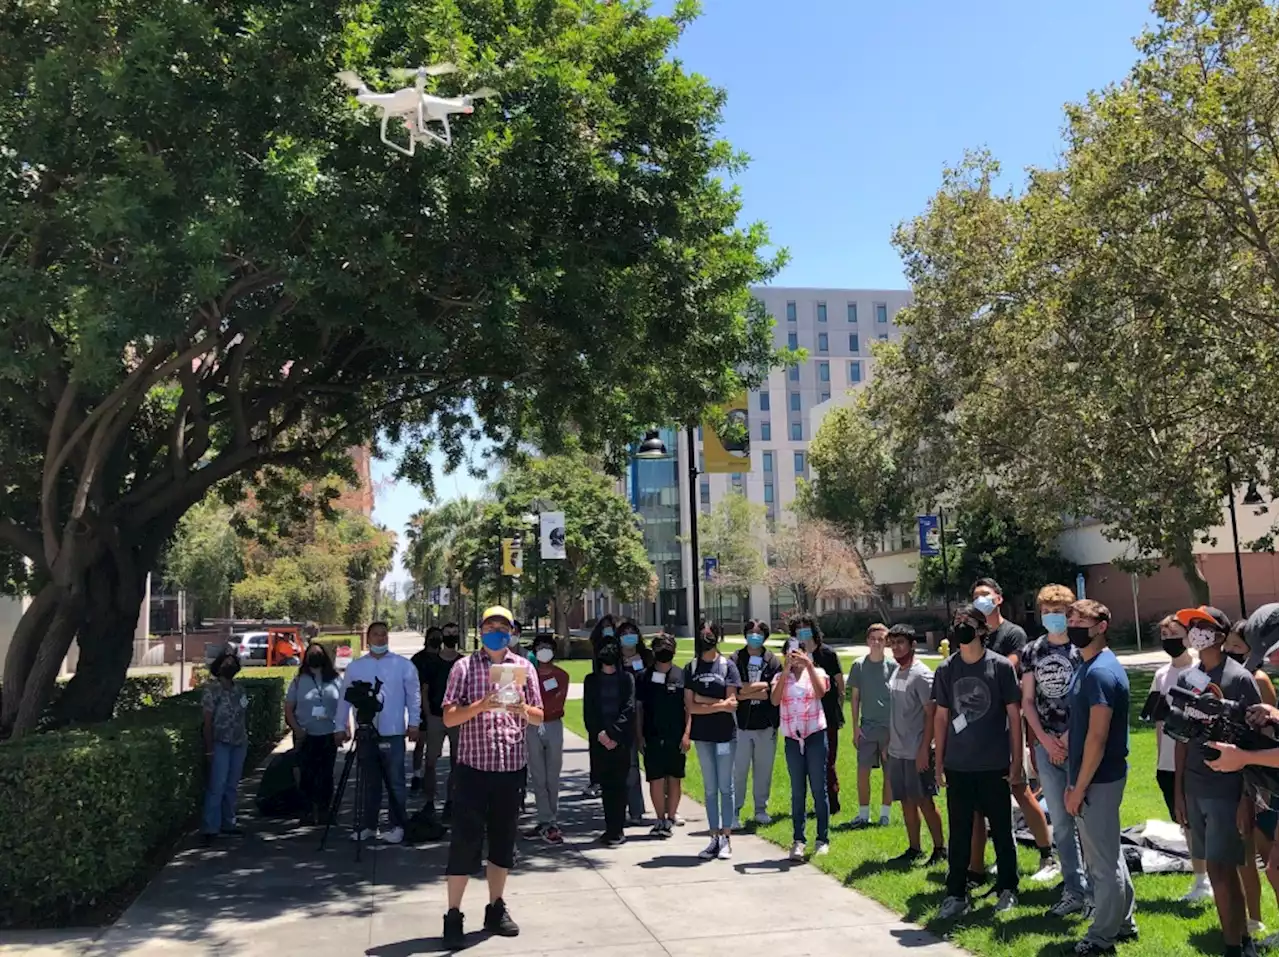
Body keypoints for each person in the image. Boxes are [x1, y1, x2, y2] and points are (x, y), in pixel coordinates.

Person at [441, 606, 544, 947]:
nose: (496, 631)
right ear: (481, 630)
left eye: (503, 626)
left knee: (502, 843)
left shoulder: (524, 667)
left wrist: (521, 709)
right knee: (464, 842)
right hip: (472, 770)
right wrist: (481, 705)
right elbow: (449, 718)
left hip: (510, 768)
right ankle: (453, 914)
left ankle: (495, 907)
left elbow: (539, 716)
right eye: (490, 625)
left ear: (512, 631)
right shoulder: (463, 668)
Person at [1174, 605, 1263, 957]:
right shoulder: (1187, 679)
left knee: (1221, 866)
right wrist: (1179, 790)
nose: (1196, 632)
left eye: (1204, 626)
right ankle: (1240, 939)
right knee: (1220, 867)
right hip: (1195, 785)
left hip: (1228, 787)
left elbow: (1253, 741)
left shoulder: (1240, 678)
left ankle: (1234, 946)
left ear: (1221, 635)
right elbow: (1180, 737)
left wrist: (1246, 797)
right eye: (1191, 626)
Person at [932, 604, 1023, 920]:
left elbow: (1014, 716)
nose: (960, 627)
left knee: (1001, 829)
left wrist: (1016, 761)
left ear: (982, 630)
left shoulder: (1000, 668)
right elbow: (941, 719)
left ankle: (1008, 887)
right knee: (959, 832)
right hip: (959, 766)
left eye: (966, 623)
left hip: (993, 764)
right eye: (956, 622)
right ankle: (956, 893)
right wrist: (938, 761)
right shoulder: (946, 670)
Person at [1062, 600, 1136, 956]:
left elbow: (1098, 736)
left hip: (1098, 780)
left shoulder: (1101, 672)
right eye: (1070, 619)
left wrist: (1079, 786)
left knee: (1102, 864)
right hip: (1090, 777)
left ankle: (1101, 937)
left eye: (1082, 620)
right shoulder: (1086, 666)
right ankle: (1123, 921)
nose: (1074, 624)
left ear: (1102, 625)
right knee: (1109, 854)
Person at [970, 576, 1054, 887]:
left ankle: (1048, 855)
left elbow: (1005, 668)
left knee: (1019, 786)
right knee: (988, 795)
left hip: (1008, 721)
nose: (981, 600)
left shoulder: (1012, 634)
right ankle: (1004, 854)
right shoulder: (975, 633)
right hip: (980, 726)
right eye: (976, 595)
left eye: (985, 595)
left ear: (999, 599)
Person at [1020, 584, 1088, 913]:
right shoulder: (1033, 650)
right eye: (1046, 612)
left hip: (1080, 746)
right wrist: (1045, 740)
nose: (1052, 617)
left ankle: (1097, 889)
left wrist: (1070, 737)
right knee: (1060, 822)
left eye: (1058, 612)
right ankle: (1073, 888)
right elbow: (1028, 701)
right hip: (1048, 748)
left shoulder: (1080, 650)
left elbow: (1091, 700)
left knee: (1087, 819)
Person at [335, 621, 422, 844]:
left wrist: (414, 723)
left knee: (396, 781)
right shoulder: (356, 667)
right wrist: (340, 726)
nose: (380, 639)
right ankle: (368, 825)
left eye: (384, 635)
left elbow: (413, 696)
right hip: (365, 733)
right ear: (368, 638)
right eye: (376, 635)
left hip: (393, 732)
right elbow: (344, 699)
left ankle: (397, 824)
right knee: (368, 781)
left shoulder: (403, 665)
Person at [1151, 613, 1211, 901]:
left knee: (1202, 821)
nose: (1169, 640)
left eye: (1175, 634)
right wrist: (1160, 757)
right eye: (1164, 635)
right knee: (1184, 822)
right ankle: (1201, 878)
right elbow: (1156, 720)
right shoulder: (1161, 675)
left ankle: (1208, 877)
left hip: (1194, 757)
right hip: (1167, 761)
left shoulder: (1201, 672)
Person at [1226, 617, 1277, 940]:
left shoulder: (1258, 679)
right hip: (1257, 783)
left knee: (1273, 862)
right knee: (1264, 860)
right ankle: (1255, 918)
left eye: (1237, 646)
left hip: (1269, 780)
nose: (1230, 651)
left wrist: (1245, 758)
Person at [884, 624, 945, 865]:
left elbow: (931, 713)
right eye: (893, 643)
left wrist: (924, 750)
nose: (896, 647)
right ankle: (914, 848)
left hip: (916, 751)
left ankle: (940, 849)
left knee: (924, 801)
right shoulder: (897, 671)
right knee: (906, 801)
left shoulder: (921, 675)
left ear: (912, 645)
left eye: (901, 643)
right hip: (897, 750)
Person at [684, 620, 742, 860]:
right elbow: (690, 707)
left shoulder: (727, 666)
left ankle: (726, 837)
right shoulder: (692, 667)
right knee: (709, 789)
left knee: (725, 787)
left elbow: (732, 705)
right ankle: (713, 837)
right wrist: (717, 705)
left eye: (710, 634)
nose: (706, 637)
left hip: (725, 736)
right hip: (703, 737)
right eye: (702, 633)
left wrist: (704, 701)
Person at [772, 633, 831, 861]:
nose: (795, 657)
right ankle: (798, 839)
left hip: (815, 735)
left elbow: (821, 692)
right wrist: (786, 670)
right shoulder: (780, 677)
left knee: (819, 788)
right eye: (791, 653)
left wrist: (809, 667)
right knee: (798, 791)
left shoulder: (818, 673)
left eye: (799, 652)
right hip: (793, 740)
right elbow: (775, 700)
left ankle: (822, 838)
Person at [584, 637, 637, 846]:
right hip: (600, 742)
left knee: (620, 786)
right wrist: (601, 735)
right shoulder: (591, 680)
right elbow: (590, 713)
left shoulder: (627, 680)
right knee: (606, 786)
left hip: (620, 742)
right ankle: (609, 828)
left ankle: (618, 829)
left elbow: (629, 709)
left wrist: (614, 735)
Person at [637, 632, 690, 837]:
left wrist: (687, 734)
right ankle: (660, 818)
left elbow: (689, 708)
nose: (664, 649)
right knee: (656, 779)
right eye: (660, 646)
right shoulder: (644, 676)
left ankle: (672, 815)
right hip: (651, 735)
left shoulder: (682, 675)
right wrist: (639, 736)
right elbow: (639, 709)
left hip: (676, 735)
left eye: (668, 645)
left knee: (675, 777)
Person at [792, 615, 846, 814]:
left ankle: (832, 803)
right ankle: (813, 802)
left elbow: (840, 684)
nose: (802, 633)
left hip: (827, 715)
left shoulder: (828, 654)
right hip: (804, 716)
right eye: (798, 630)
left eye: (806, 629)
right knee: (807, 763)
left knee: (827, 762)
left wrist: (838, 708)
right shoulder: (795, 655)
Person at [284, 642, 342, 824]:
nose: (315, 656)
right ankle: (307, 811)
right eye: (311, 653)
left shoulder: (335, 679)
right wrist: (297, 729)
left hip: (328, 735)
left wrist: (344, 728)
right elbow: (288, 709)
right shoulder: (299, 680)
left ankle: (325, 811)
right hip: (305, 735)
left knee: (326, 775)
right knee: (306, 775)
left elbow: (343, 707)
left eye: (318, 653)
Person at [732, 619, 781, 829]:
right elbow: (735, 690)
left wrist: (748, 690)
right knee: (738, 770)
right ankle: (733, 812)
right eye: (751, 632)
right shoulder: (735, 658)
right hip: (741, 725)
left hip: (766, 724)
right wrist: (756, 689)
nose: (754, 635)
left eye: (759, 632)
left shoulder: (772, 661)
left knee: (763, 770)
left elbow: (771, 692)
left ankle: (761, 809)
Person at [848, 622, 895, 829]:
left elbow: (897, 700)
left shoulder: (893, 666)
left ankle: (885, 815)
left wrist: (894, 733)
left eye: (881, 639)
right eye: (873, 639)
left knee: (889, 773)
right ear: (868, 641)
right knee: (863, 771)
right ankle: (863, 814)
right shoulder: (859, 665)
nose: (877, 643)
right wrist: (855, 728)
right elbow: (855, 699)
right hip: (867, 727)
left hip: (889, 729)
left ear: (887, 642)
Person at [523, 632, 569, 844]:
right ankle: (545, 819)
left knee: (553, 774)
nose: (544, 651)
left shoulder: (561, 675)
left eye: (547, 647)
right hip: (531, 725)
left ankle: (551, 818)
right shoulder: (527, 674)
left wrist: (539, 711)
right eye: (539, 647)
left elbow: (556, 703)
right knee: (537, 775)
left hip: (552, 725)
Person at [201, 650, 250, 845]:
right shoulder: (211, 690)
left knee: (232, 785)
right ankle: (210, 827)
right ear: (218, 667)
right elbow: (207, 721)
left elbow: (244, 714)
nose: (229, 666)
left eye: (232, 662)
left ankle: (228, 822)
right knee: (217, 785)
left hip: (239, 742)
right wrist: (209, 748)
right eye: (226, 662)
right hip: (220, 742)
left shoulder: (240, 689)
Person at [618, 619, 652, 826]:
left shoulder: (647, 657)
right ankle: (635, 809)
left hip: (649, 714)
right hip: (627, 716)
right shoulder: (615, 659)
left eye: (633, 632)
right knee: (630, 766)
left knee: (657, 764)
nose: (629, 636)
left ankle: (666, 809)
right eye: (625, 632)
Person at [583, 614, 619, 798]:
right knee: (596, 747)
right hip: (599, 695)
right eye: (605, 626)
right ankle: (596, 780)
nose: (608, 629)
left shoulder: (618, 647)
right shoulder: (598, 647)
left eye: (610, 626)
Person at [410, 626, 443, 793]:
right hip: (421, 707)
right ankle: (416, 775)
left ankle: (430, 776)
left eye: (439, 636)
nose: (436, 639)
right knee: (420, 744)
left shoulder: (443, 659)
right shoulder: (418, 659)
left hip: (440, 708)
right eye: (433, 636)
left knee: (433, 747)